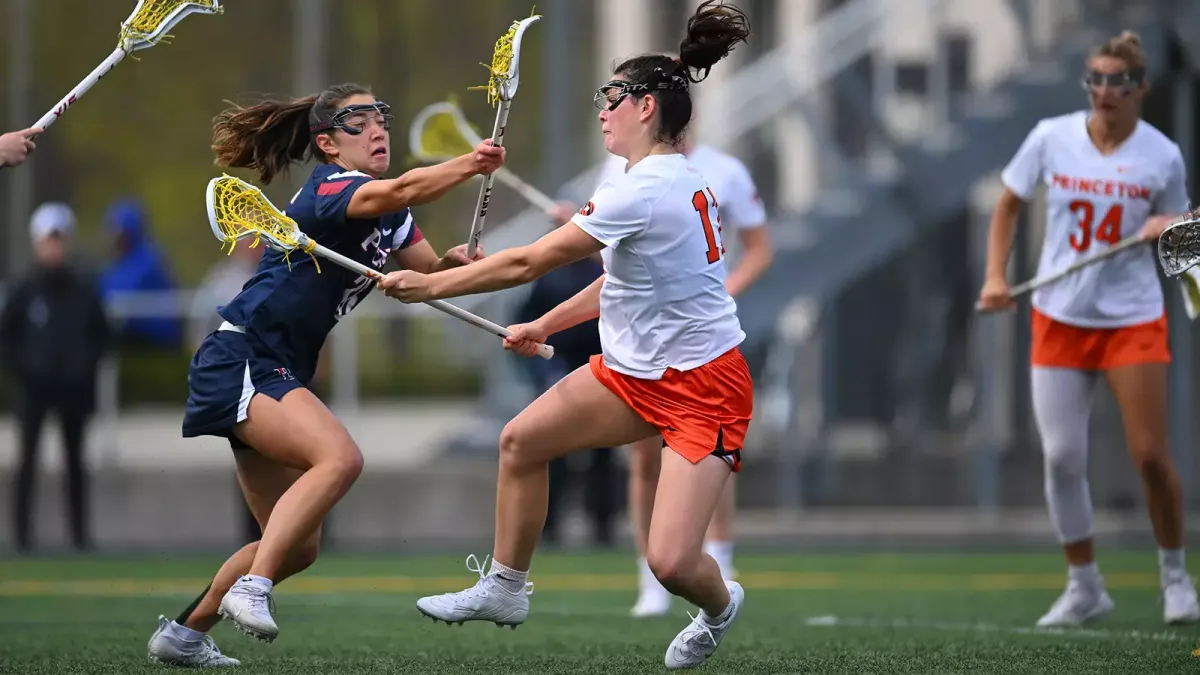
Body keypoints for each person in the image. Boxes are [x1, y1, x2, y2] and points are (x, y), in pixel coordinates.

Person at [380, 2, 753, 667]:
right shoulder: (643, 181)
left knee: (670, 560)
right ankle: (505, 587)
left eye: (611, 97)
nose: (602, 109)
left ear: (646, 108)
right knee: (522, 440)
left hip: (704, 387)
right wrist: (545, 323)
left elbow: (530, 259)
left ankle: (721, 604)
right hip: (632, 375)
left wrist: (429, 286)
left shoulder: (645, 188)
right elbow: (619, 281)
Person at [144, 82, 505, 667]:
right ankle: (252, 589)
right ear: (328, 144)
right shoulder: (332, 190)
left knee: (296, 547)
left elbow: (426, 279)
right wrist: (471, 162)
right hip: (244, 357)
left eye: (380, 115)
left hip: (279, 368)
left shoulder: (390, 216)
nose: (378, 128)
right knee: (340, 459)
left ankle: (185, 633)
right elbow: (410, 185)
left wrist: (453, 268)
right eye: (359, 120)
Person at [977, 30, 1200, 627]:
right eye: (1094, 80)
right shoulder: (1051, 137)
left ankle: (1176, 578)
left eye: (1116, 83)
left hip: (1131, 319)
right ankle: (1084, 586)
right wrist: (996, 276)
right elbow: (1007, 203)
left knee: (1150, 455)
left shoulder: (1163, 155)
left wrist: (1170, 229)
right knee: (1062, 458)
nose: (1103, 92)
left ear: (1139, 90)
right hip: (1059, 317)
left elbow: (1186, 247)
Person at [550, 97, 774, 617]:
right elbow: (610, 255)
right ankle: (651, 577)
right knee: (644, 459)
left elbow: (760, 248)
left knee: (703, 458)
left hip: (699, 343)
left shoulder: (722, 171)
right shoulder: (621, 166)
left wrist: (725, 290)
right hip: (640, 342)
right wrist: (573, 230)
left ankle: (717, 559)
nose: (610, 112)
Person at [0, 202, 110, 553]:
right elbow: (7, 336)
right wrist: (26, 367)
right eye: (49, 240)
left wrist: (84, 365)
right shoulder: (25, 288)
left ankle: (79, 537)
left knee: (75, 463)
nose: (55, 247)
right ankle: (21, 538)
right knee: (27, 461)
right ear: (37, 243)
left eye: (60, 240)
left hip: (73, 389)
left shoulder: (83, 287)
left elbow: (102, 335)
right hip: (33, 389)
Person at [511, 252, 616, 548]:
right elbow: (525, 323)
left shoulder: (608, 273)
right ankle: (547, 526)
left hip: (604, 370)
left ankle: (603, 525)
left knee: (603, 452)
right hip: (557, 371)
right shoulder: (550, 279)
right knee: (549, 450)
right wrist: (544, 372)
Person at [100, 197, 184, 351]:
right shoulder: (117, 262)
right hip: (129, 344)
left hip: (156, 346)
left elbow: (122, 293)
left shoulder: (150, 260)